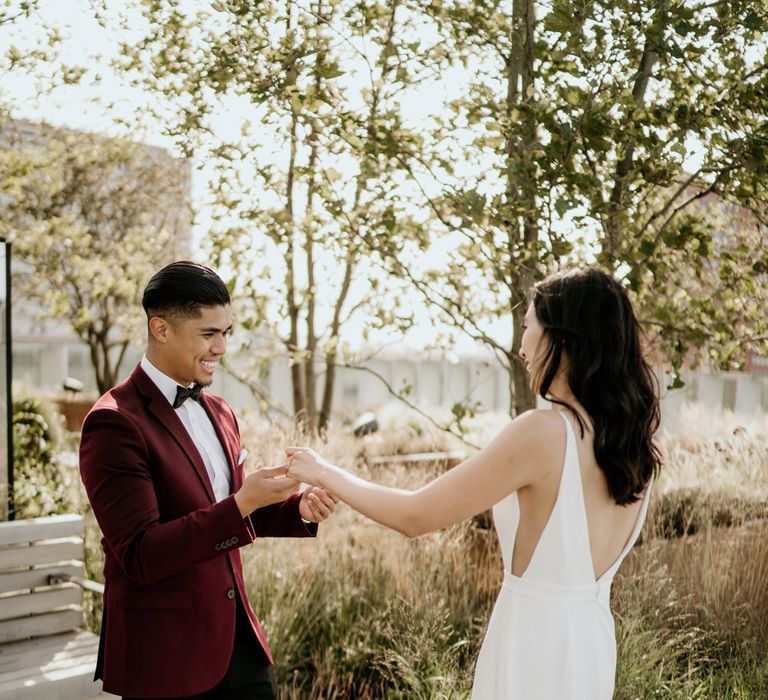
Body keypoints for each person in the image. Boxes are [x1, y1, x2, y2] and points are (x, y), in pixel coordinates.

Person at [285, 267, 661, 699]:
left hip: (533, 646)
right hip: (591, 646)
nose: (521, 346)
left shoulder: (544, 433)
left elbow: (415, 515)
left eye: (527, 328)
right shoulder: (633, 446)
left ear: (562, 337)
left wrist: (323, 471)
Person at [79, 261, 337, 700]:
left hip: (239, 643)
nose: (221, 348)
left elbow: (226, 508)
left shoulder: (221, 411)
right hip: (166, 656)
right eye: (208, 334)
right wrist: (240, 505)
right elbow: (141, 554)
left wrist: (297, 508)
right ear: (160, 329)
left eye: (227, 333)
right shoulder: (113, 423)